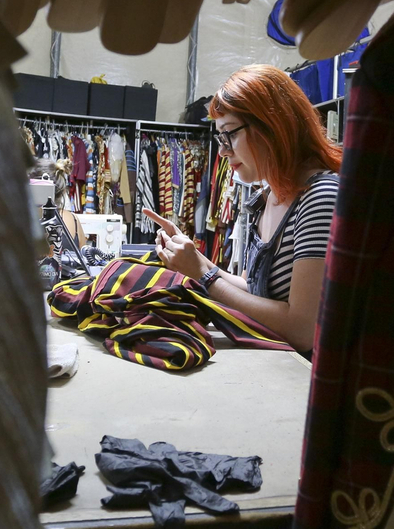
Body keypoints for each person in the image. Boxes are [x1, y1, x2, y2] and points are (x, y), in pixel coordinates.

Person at [144, 64, 341, 353]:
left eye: (229, 134)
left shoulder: (320, 197)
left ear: (272, 127)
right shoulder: (270, 194)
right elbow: (253, 290)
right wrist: (195, 260)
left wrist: (204, 275)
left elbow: (304, 330)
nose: (222, 150)